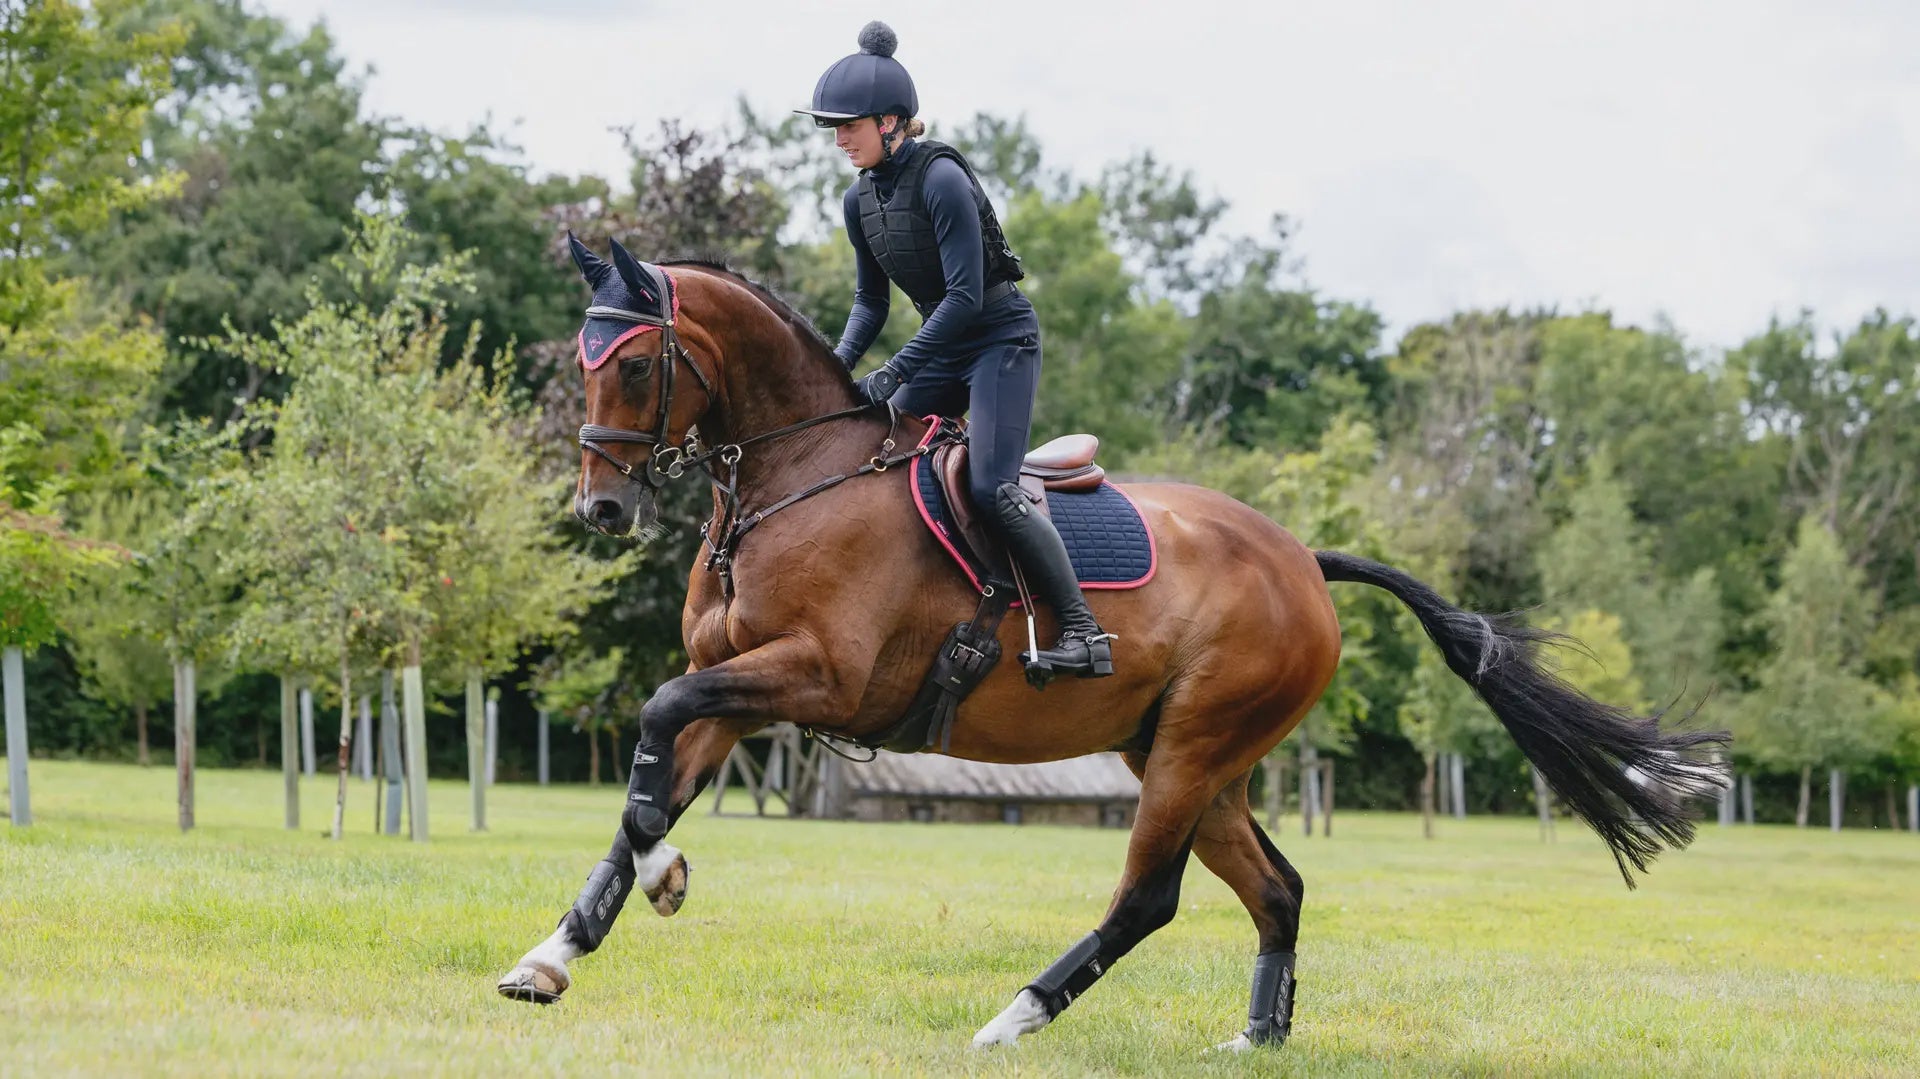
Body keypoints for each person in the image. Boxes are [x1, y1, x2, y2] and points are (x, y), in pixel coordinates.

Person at [797, 21, 1113, 680]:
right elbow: (870, 305)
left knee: (992, 486)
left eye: (848, 125)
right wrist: (830, 377)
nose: (838, 138)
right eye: (833, 127)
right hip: (943, 347)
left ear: (891, 122)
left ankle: (1085, 632)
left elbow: (967, 297)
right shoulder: (860, 202)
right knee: (875, 454)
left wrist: (895, 369)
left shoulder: (940, 179)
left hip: (999, 339)